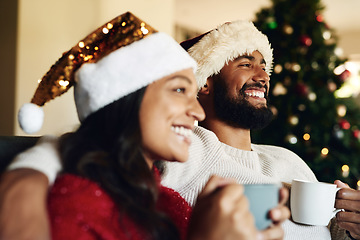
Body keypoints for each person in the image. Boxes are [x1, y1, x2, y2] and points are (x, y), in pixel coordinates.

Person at [0, 19, 293, 240]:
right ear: (127, 99)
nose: (198, 112)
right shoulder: (77, 207)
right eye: (179, 90)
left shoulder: (167, 203)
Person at [159, 20, 360, 240]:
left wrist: (351, 226)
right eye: (246, 64)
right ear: (204, 82)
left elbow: (332, 232)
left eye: (264, 67)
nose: (263, 77)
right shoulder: (188, 149)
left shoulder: (287, 159)